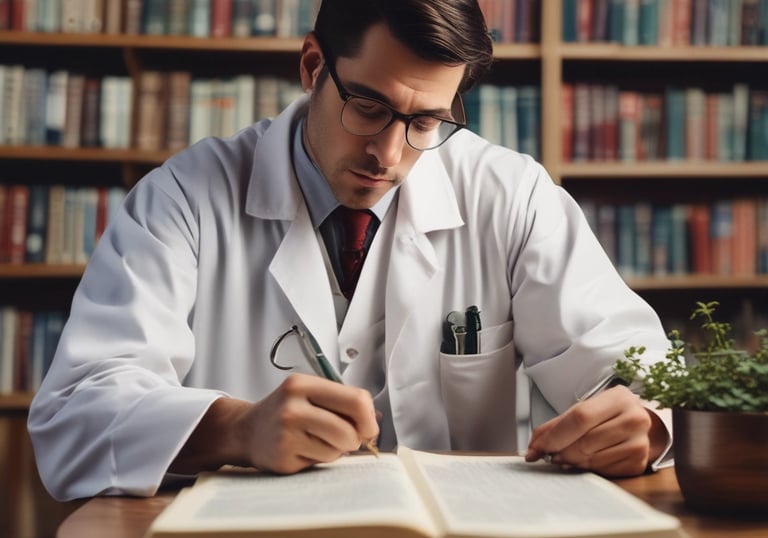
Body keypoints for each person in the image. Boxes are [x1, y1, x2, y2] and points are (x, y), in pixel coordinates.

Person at [28, 0, 673, 502]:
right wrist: (236, 430)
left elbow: (648, 376)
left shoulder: (512, 196)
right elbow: (74, 414)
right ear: (313, 66)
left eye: (425, 123)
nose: (387, 154)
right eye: (368, 106)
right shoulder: (183, 199)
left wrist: (647, 422)